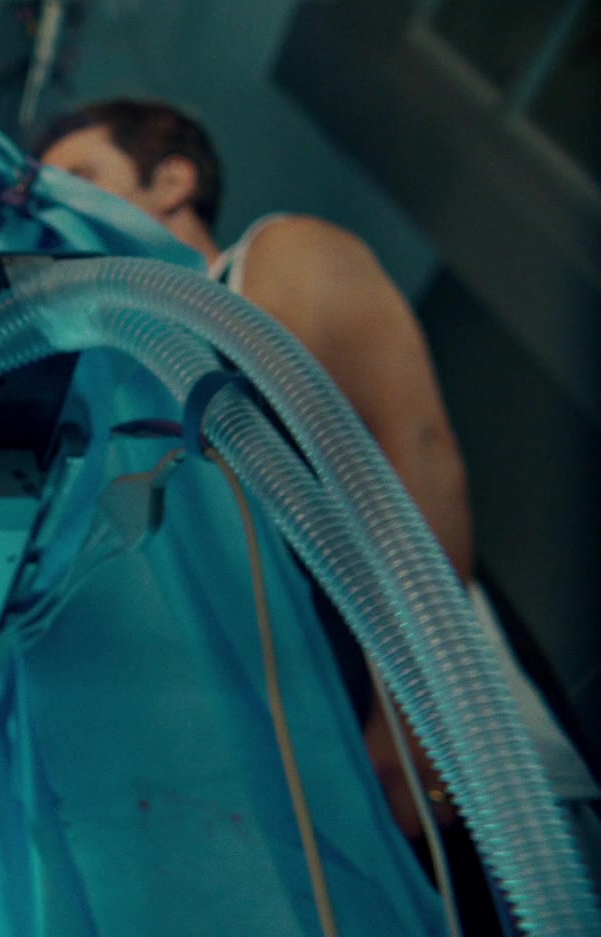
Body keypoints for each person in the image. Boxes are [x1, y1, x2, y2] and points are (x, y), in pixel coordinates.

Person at [35, 98, 598, 837]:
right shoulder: (130, 389)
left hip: (464, 770)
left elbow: (416, 454)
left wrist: (408, 734)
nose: (63, 208)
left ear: (172, 180)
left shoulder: (277, 262)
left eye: (80, 177)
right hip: (326, 800)